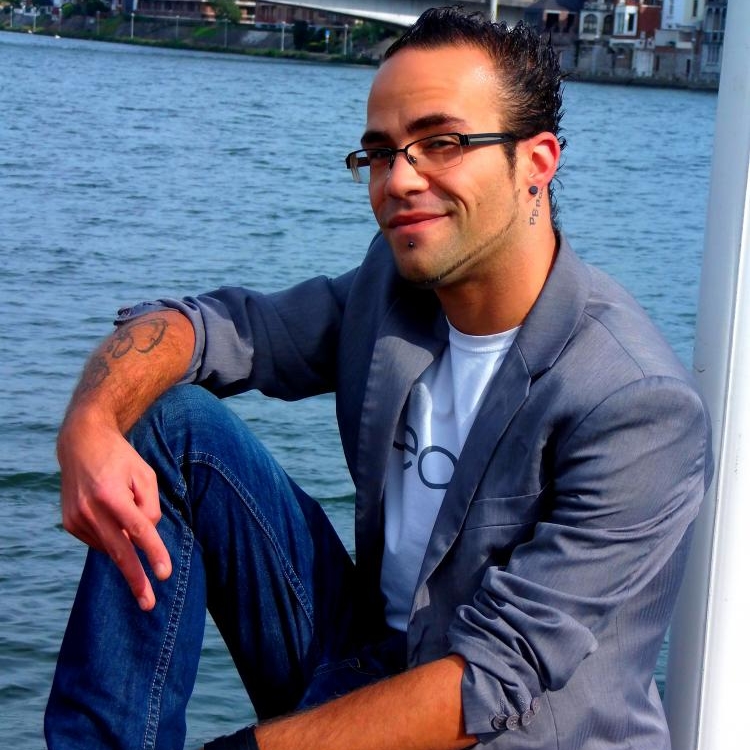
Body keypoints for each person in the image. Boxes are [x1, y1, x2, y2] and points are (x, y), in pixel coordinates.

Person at [45, 7, 712, 750]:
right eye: (380, 153)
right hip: (366, 657)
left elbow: (490, 685)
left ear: (537, 162)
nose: (399, 180)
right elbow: (217, 327)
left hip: (502, 727)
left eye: (441, 143)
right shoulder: (393, 290)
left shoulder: (635, 403)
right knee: (171, 425)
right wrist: (88, 424)